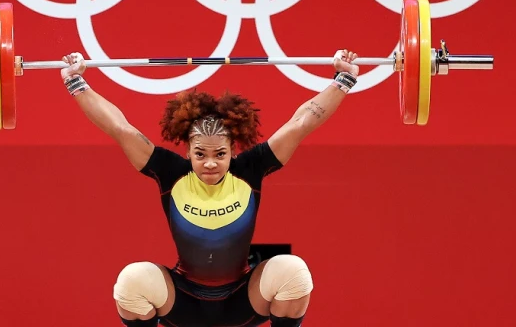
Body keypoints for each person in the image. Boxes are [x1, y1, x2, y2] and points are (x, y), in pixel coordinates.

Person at [60, 49, 360, 327]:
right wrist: (77, 82)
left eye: (220, 155)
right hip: (183, 300)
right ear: (188, 150)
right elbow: (120, 128)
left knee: (292, 270)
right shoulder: (171, 172)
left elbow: (300, 123)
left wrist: (343, 79)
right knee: (132, 280)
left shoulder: (250, 169)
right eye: (200, 154)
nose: (210, 163)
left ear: (232, 150)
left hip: (243, 299)